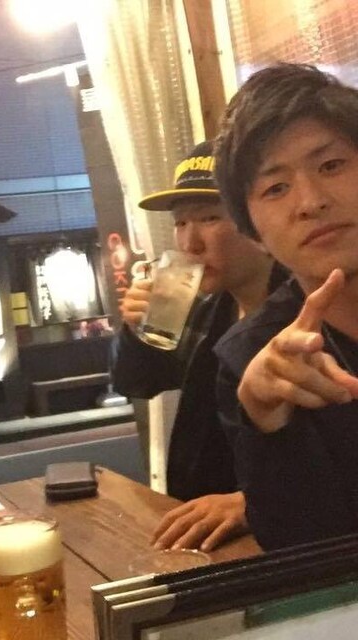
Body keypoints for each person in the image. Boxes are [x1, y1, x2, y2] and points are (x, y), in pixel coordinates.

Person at [214, 63, 358, 551]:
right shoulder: (253, 360)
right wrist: (267, 424)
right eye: (276, 188)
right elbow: (303, 558)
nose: (311, 201)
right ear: (253, 233)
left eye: (331, 165)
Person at [114, 141, 284, 551]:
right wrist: (135, 331)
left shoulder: (310, 310)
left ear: (256, 220)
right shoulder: (207, 311)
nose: (190, 243)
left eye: (209, 218)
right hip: (206, 535)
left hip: (286, 542)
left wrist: (250, 501)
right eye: (180, 223)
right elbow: (139, 383)